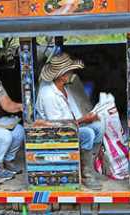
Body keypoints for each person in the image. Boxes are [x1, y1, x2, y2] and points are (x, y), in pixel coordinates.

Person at [35, 53, 103, 190]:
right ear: (62, 75)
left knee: (98, 127)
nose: (72, 73)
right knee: (88, 134)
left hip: (68, 126)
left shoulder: (63, 88)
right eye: (70, 71)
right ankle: (86, 174)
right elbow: (60, 127)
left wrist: (88, 118)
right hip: (54, 134)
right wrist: (84, 119)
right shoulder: (49, 95)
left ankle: (89, 165)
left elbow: (69, 118)